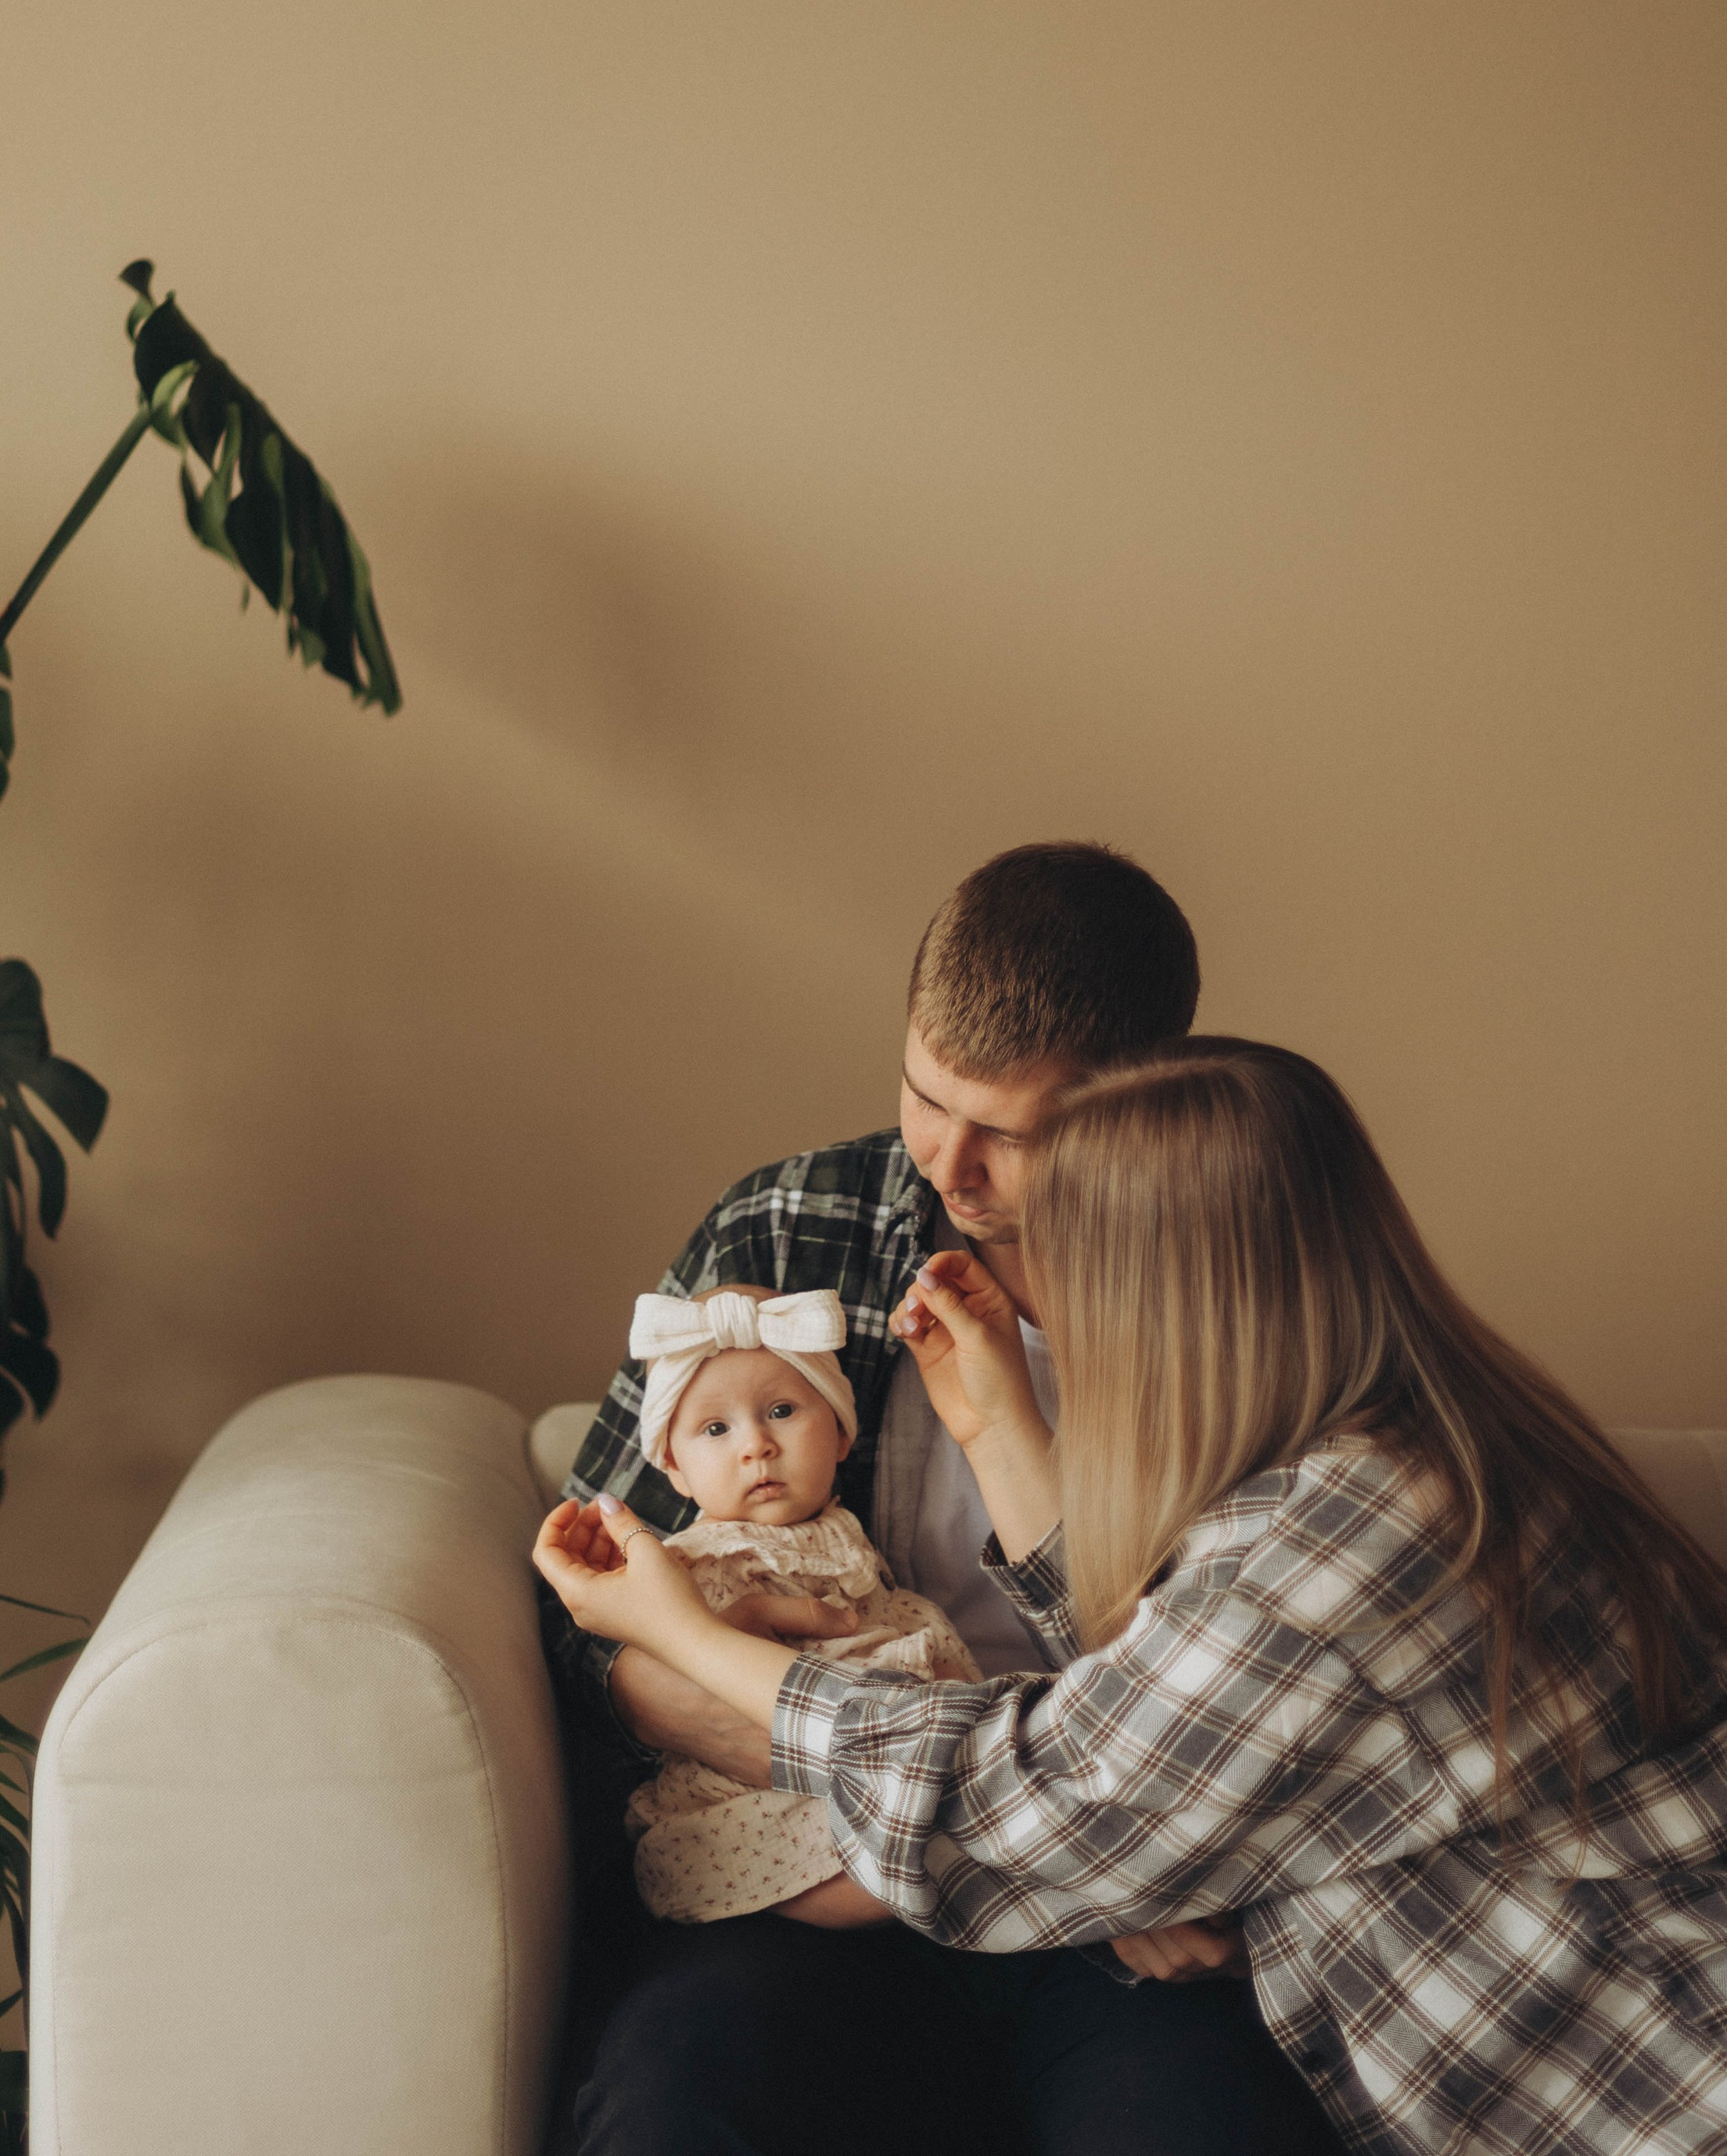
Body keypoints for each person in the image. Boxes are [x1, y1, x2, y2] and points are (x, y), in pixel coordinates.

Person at [538, 1039, 1727, 2156]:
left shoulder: (1340, 1548)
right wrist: (1007, 1433)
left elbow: (1013, 1800)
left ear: (1172, 1292)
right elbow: (1168, 1676)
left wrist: (681, 1631)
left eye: (1069, 1265)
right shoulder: (1419, 1446)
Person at [544, 844, 1344, 2155]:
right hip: (804, 1869)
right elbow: (589, 1632)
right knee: (674, 2088)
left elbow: (1257, 1694)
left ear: (1143, 1102)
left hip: (1116, 1909)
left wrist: (1088, 1855)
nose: (951, 1168)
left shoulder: (1227, 1300)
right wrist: (936, 1811)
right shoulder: (790, 1234)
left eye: (1012, 1135)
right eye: (927, 1098)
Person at [622, 1282, 980, 1931]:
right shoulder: (686, 1563)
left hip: (880, 1738)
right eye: (715, 1427)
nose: (755, 1444)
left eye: (782, 1410)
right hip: (758, 1775)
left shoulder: (853, 1536)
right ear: (674, 1467)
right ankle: (893, 1889)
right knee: (879, 1857)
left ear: (841, 1434)